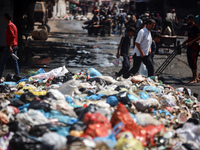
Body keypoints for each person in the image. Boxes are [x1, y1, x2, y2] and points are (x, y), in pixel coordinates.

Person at [0, 13, 19, 79]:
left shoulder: (9, 25)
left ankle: (0, 76)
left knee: (3, 62)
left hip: (11, 47)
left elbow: (12, 36)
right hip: (14, 46)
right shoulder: (13, 25)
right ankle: (18, 76)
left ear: (6, 18)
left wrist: (10, 46)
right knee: (15, 62)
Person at [182, 14, 200, 84]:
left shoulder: (196, 27)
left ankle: (194, 78)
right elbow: (190, 37)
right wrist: (185, 42)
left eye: (188, 20)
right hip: (190, 46)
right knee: (190, 62)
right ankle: (196, 77)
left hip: (195, 47)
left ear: (192, 20)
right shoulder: (189, 27)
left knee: (193, 62)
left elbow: (199, 36)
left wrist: (192, 41)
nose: (186, 21)